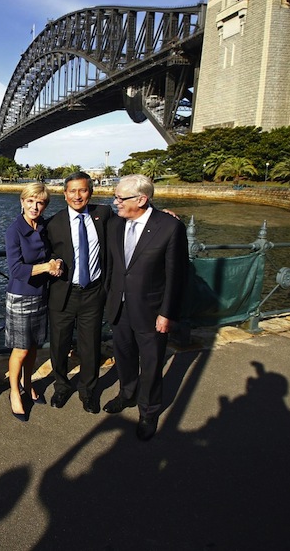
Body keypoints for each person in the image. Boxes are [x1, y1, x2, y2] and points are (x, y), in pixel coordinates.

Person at [104, 174, 189, 441]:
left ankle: (149, 412)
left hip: (152, 311)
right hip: (119, 305)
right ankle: (127, 394)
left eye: (120, 198)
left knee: (151, 363)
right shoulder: (115, 223)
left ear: (141, 200)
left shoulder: (169, 227)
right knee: (124, 356)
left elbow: (176, 275)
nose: (115, 202)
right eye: (115, 197)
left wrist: (167, 313)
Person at [45, 172, 113, 413]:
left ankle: (88, 390)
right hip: (63, 293)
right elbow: (44, 252)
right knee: (59, 344)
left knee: (90, 345)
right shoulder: (53, 223)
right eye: (72, 191)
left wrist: (161, 214)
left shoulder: (103, 214)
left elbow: (132, 213)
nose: (77, 196)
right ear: (64, 194)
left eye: (82, 190)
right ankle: (61, 386)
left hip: (93, 292)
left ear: (90, 193)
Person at [4, 182, 62, 422]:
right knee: (21, 349)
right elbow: (16, 270)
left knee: (34, 346)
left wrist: (56, 262)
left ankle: (28, 384)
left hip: (41, 294)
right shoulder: (14, 230)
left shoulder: (44, 227)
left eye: (40, 202)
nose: (35, 206)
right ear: (22, 201)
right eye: (30, 201)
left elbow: (53, 252)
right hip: (20, 296)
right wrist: (46, 267)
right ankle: (14, 391)